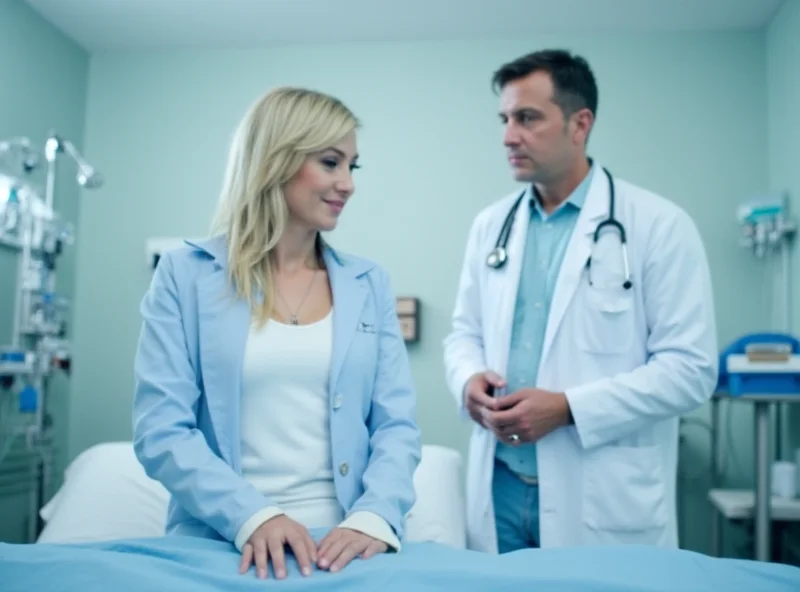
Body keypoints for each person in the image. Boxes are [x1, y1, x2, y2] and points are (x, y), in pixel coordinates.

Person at [131, 87, 421, 580]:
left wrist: (375, 517)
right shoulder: (185, 275)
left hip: (349, 546)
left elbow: (396, 426)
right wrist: (254, 515)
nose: (347, 183)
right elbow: (161, 431)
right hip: (227, 540)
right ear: (275, 161)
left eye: (353, 166)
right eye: (331, 162)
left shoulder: (368, 283)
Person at [442, 49, 718, 554]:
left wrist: (569, 408)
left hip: (599, 491)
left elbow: (691, 370)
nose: (508, 136)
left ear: (579, 123)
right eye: (504, 119)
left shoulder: (658, 225)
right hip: (499, 484)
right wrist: (467, 381)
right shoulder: (490, 226)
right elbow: (464, 333)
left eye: (527, 118)